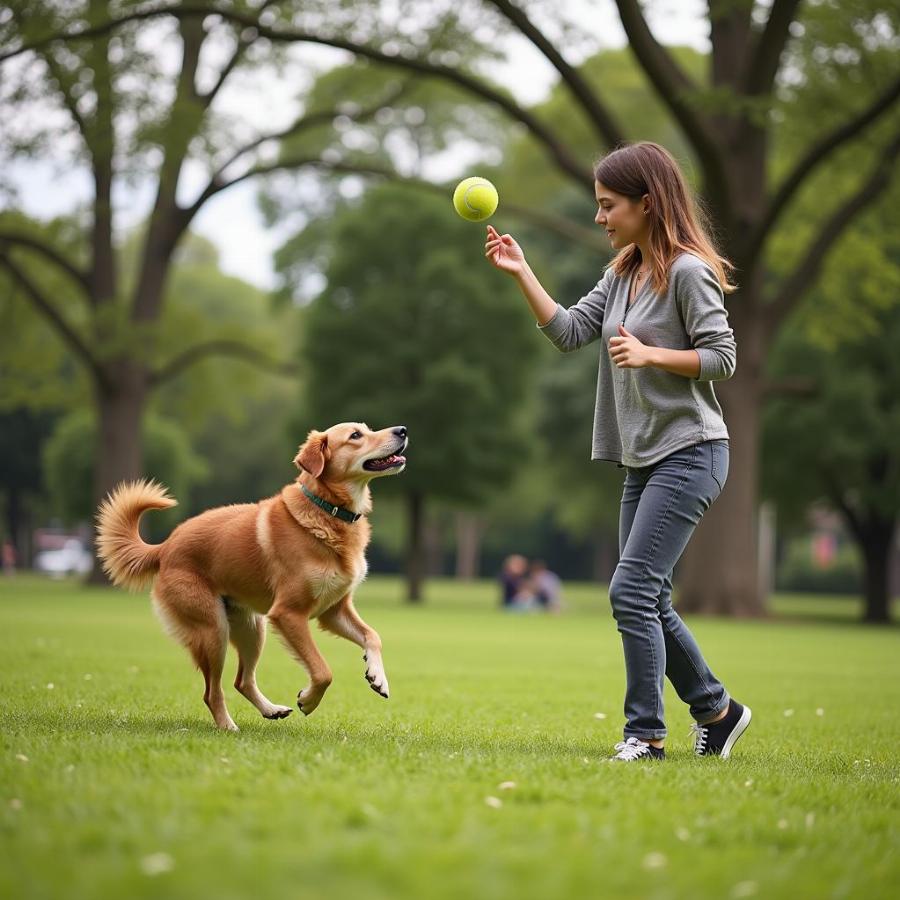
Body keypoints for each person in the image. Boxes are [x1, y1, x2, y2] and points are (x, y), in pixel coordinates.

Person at [484, 141, 752, 762]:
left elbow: (724, 357)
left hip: (692, 452)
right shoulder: (623, 272)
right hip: (645, 458)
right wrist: (523, 271)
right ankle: (717, 710)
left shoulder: (688, 272)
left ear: (647, 203)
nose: (600, 218)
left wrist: (653, 353)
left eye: (609, 206)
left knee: (629, 591)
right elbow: (571, 332)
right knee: (648, 596)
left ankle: (645, 735)